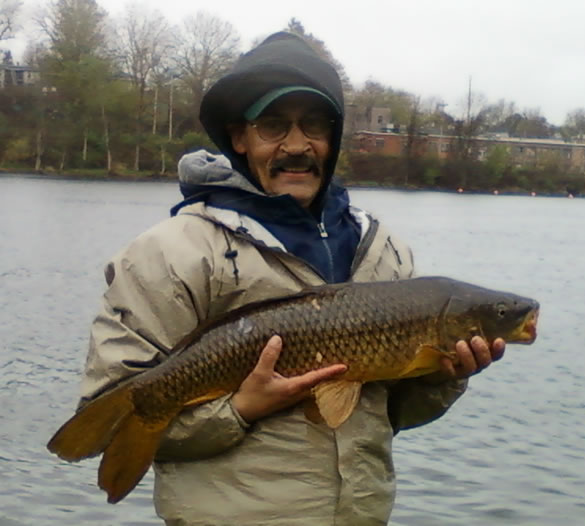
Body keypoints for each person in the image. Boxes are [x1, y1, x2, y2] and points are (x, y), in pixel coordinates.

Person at [80, 32, 505, 526]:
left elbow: (389, 415)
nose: (298, 145)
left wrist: (442, 379)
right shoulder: (170, 252)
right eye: (274, 126)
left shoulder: (385, 253)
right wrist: (240, 408)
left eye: (315, 126)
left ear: (334, 136)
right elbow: (113, 411)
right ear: (240, 138)